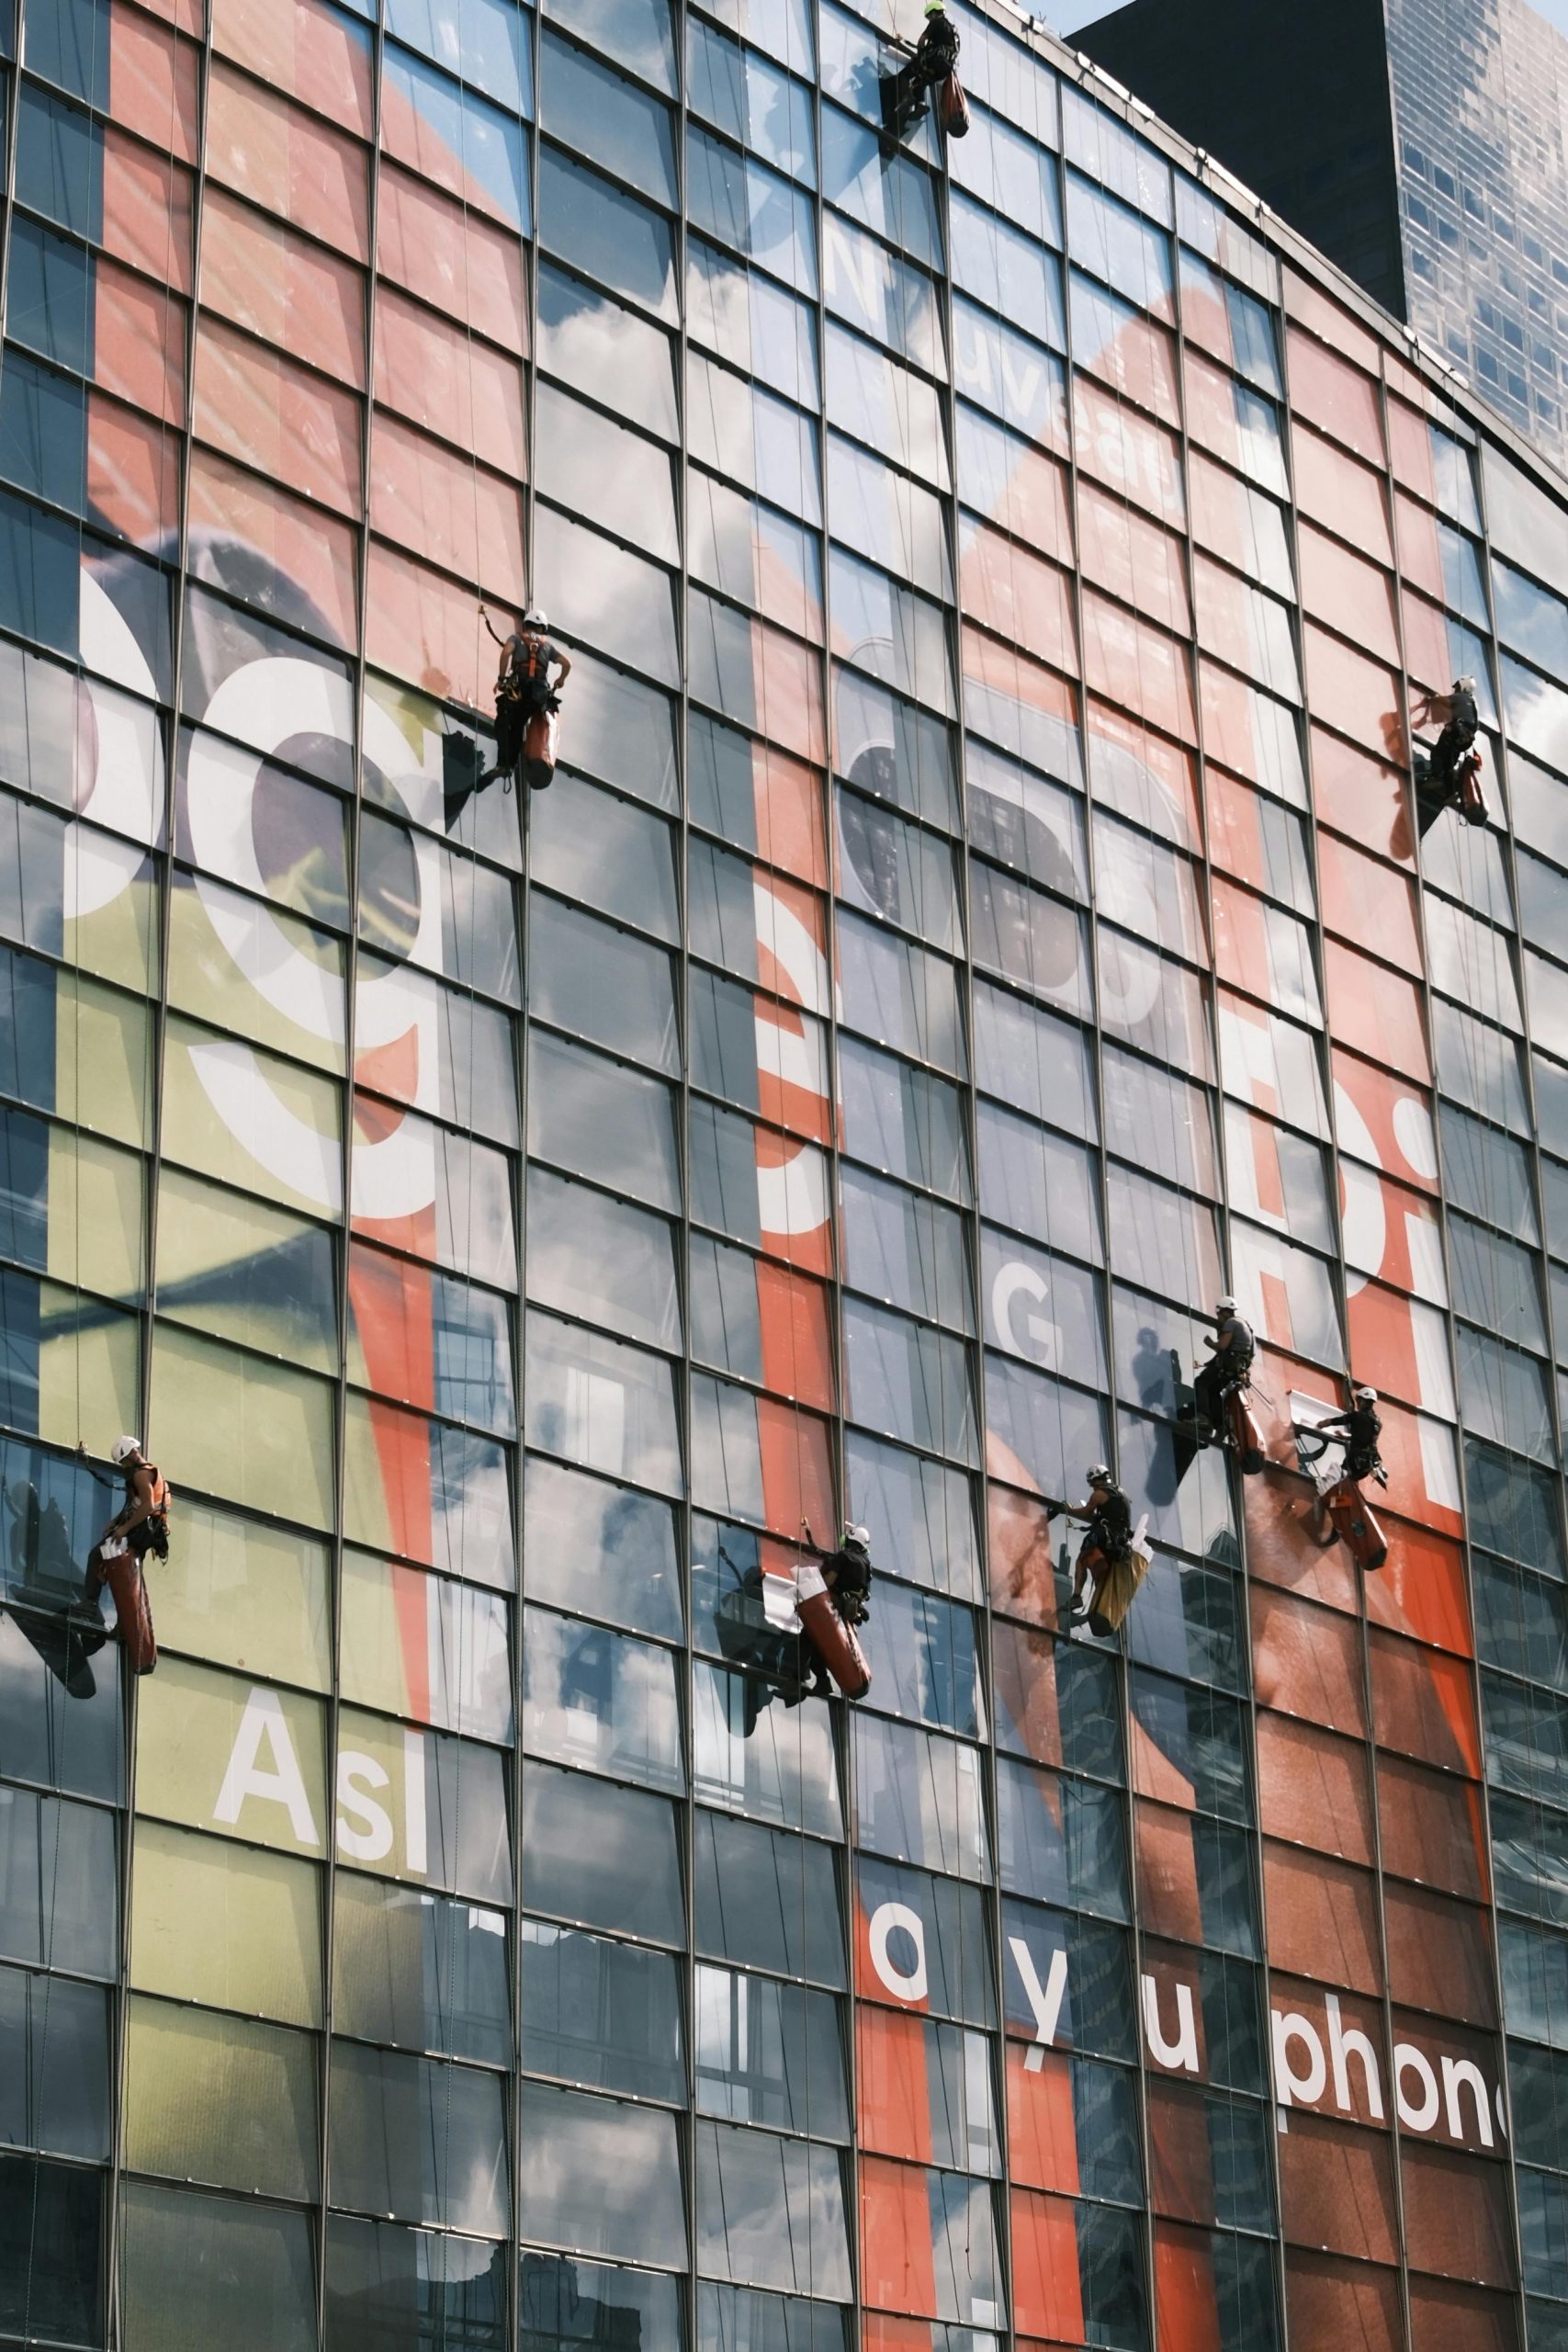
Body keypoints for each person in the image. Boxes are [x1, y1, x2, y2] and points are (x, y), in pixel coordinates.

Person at [80, 1435, 167, 1674]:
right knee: (123, 1575)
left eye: (123, 1463)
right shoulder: (144, 1473)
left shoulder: (140, 1474)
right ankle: (122, 1623)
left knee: (96, 1556)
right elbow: (135, 1506)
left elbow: (148, 1505)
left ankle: (89, 1604)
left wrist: (124, 1529)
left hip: (139, 1532)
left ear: (129, 1455)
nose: (123, 1468)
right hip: (146, 1532)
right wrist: (117, 1521)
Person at [483, 609, 570, 789]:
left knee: (508, 722)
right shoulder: (548, 646)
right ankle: (531, 754)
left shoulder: (516, 639)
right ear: (541, 627)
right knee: (532, 721)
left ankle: (506, 763)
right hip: (538, 695)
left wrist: (501, 679)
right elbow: (567, 663)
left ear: (527, 624)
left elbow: (506, 653)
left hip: (519, 692)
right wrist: (561, 679)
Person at [882, 2, 967, 144]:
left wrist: (920, 54)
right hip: (943, 69)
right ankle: (920, 104)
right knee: (921, 83)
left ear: (934, 12)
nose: (929, 19)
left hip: (933, 61)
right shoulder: (953, 30)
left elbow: (922, 40)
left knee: (906, 74)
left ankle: (906, 97)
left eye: (929, 16)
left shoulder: (937, 22)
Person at [1065, 1465, 1134, 1627]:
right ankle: (1104, 1606)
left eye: (1093, 1483)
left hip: (1105, 1536)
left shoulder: (1099, 1494)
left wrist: (1069, 1509)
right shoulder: (1121, 1493)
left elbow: (1085, 1513)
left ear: (1097, 1479)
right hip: (1121, 1542)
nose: (1093, 1487)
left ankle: (1076, 1597)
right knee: (1102, 1574)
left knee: (1082, 1560)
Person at [1414, 675, 1487, 827]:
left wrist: (1430, 699)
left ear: (1462, 688)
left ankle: (1436, 777)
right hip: (1466, 739)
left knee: (1438, 753)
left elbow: (1444, 701)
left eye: (1457, 687)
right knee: (1449, 761)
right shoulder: (1473, 705)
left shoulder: (1460, 697)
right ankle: (1448, 792)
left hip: (1456, 731)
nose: (1455, 689)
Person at [1192, 1295, 1255, 1439]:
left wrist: (1209, 1342)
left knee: (1201, 1382)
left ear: (1226, 1312)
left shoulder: (1231, 1323)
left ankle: (1203, 1417)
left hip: (1228, 1364)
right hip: (1236, 1368)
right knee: (1213, 1391)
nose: (1219, 1318)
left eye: (1219, 1314)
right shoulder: (1245, 1326)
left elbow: (1222, 1346)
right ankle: (1220, 1425)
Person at [1313, 1385, 1384, 1485]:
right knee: (1348, 1482)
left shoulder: (1356, 1416)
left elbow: (1335, 1421)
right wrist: (1345, 1436)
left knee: (1337, 1479)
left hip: (1355, 1460)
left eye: (1358, 1401)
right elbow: (1364, 1439)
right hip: (1367, 1464)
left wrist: (1320, 1424)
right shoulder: (1377, 1422)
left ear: (1363, 1401)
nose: (1358, 1404)